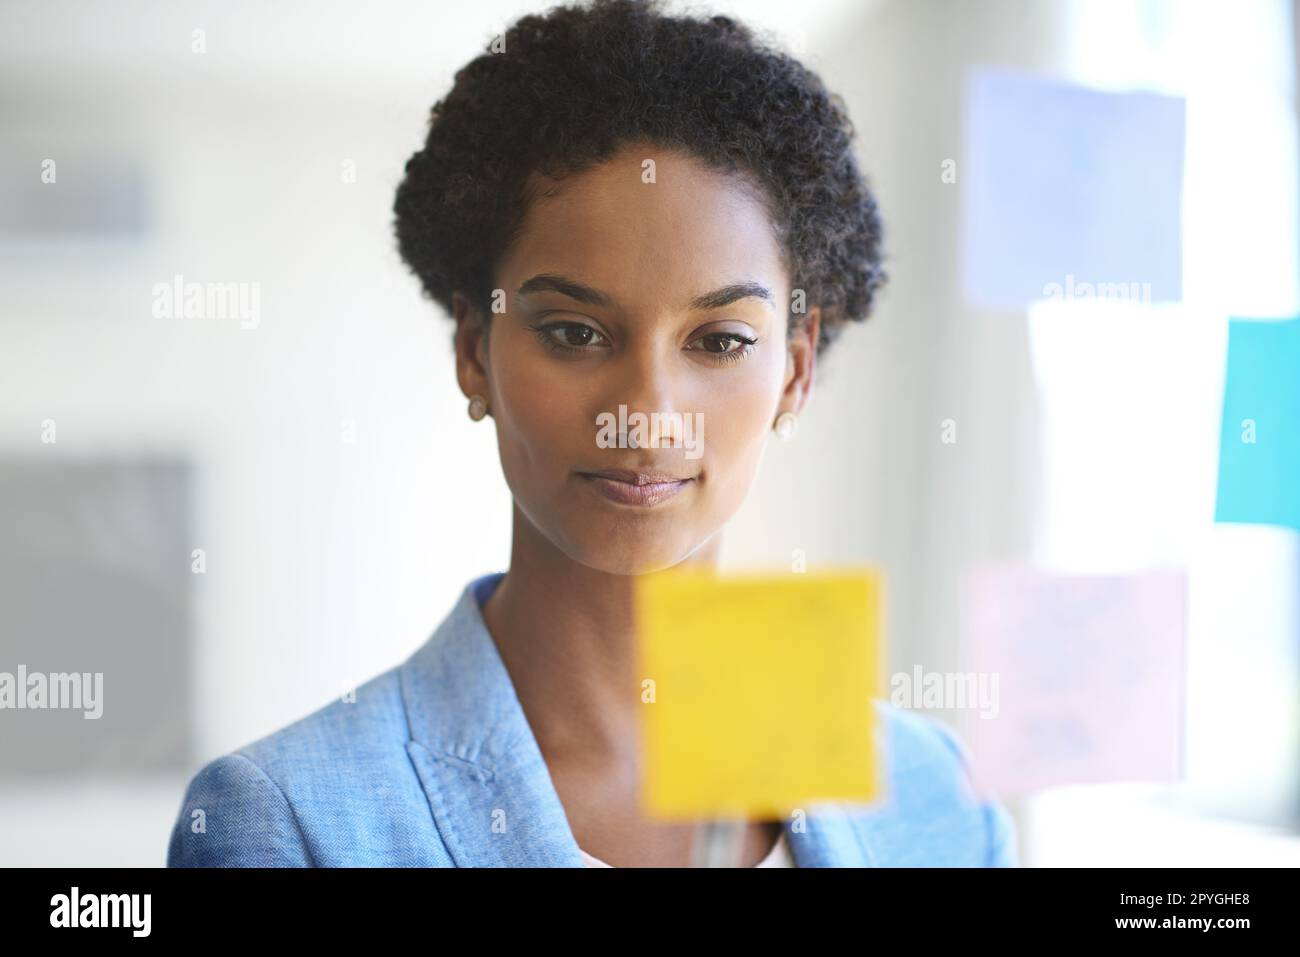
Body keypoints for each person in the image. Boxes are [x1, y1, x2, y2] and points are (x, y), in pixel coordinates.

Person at [167, 0, 1016, 868]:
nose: (645, 410)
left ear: (793, 371)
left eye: (719, 341)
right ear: (474, 349)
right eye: (574, 331)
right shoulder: (288, 822)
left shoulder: (934, 797)